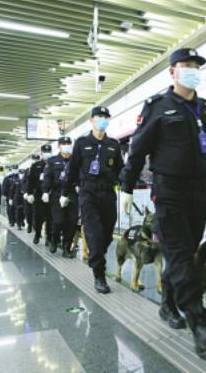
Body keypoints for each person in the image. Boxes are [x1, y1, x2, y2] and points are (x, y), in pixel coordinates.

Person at [119, 48, 206, 355]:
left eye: (196, 66)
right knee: (182, 256)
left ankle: (168, 304)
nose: (192, 70)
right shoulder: (158, 107)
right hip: (168, 192)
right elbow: (137, 149)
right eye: (186, 65)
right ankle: (200, 326)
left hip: (199, 192)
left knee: (182, 255)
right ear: (172, 71)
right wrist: (127, 187)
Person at [62, 106, 124, 293]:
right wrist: (65, 193)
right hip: (88, 193)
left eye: (106, 117)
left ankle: (97, 255)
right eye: (99, 116)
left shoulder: (114, 144)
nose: (102, 119)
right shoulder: (81, 143)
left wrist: (127, 185)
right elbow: (72, 170)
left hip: (108, 194)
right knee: (94, 234)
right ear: (91, 120)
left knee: (106, 234)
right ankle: (99, 275)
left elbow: (121, 169)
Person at [42, 137, 78, 258]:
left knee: (72, 222)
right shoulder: (52, 161)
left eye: (68, 143)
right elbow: (47, 176)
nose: (66, 145)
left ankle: (66, 248)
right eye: (64, 144)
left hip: (72, 194)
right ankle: (54, 239)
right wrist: (45, 191)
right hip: (57, 194)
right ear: (59, 146)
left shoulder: (76, 160)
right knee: (58, 221)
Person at [27, 145, 53, 245]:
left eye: (49, 151)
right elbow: (31, 181)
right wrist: (29, 193)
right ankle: (37, 234)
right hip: (39, 195)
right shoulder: (36, 165)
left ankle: (49, 237)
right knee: (38, 217)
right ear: (41, 153)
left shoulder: (54, 163)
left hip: (51, 195)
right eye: (45, 151)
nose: (47, 153)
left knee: (51, 218)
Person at [22, 154, 39, 234]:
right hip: (29, 194)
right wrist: (25, 192)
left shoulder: (41, 169)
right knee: (28, 211)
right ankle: (29, 225)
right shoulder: (27, 170)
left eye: (36, 159)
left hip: (37, 194)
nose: (34, 161)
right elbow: (24, 182)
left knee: (37, 212)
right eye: (33, 159)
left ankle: (36, 227)